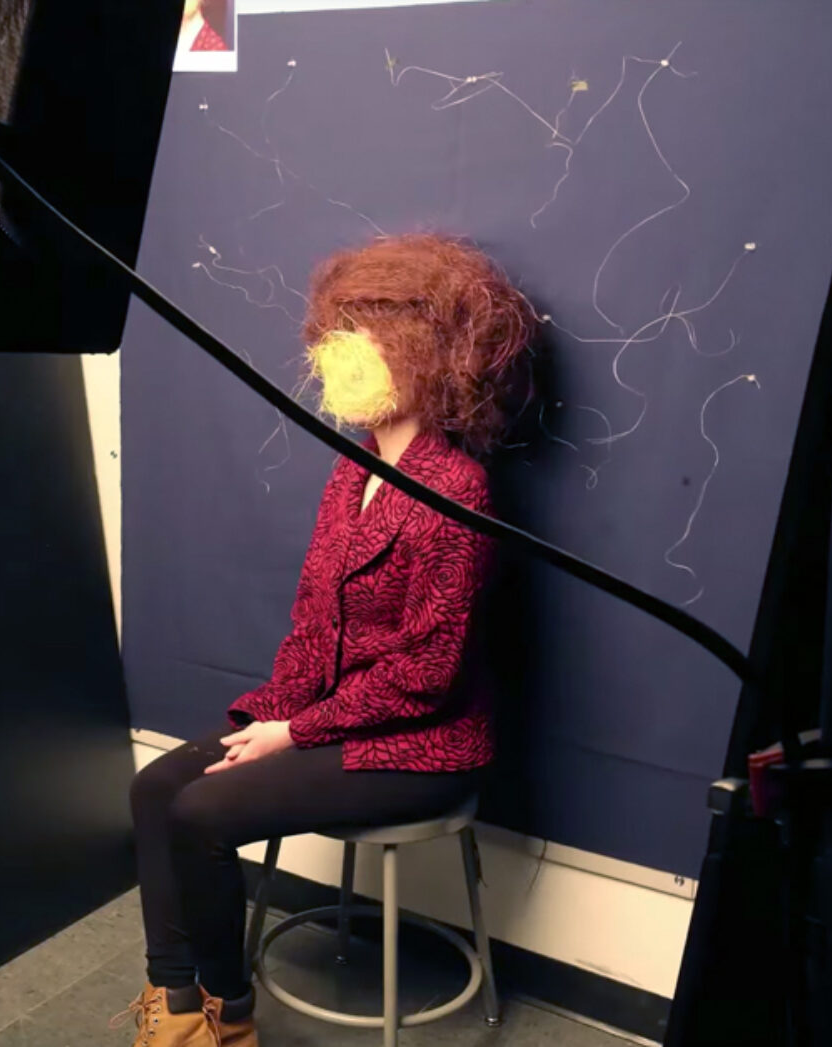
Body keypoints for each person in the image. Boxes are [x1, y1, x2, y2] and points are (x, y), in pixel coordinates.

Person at [120, 234, 535, 1046]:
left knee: (202, 812)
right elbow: (315, 624)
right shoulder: (352, 469)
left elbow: (427, 675)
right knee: (153, 788)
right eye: (337, 337)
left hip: (425, 743)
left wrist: (291, 733)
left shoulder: (461, 490)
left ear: (429, 355)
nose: (337, 359)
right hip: (329, 717)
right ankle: (175, 1008)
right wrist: (267, 719)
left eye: (367, 340)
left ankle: (228, 1015)